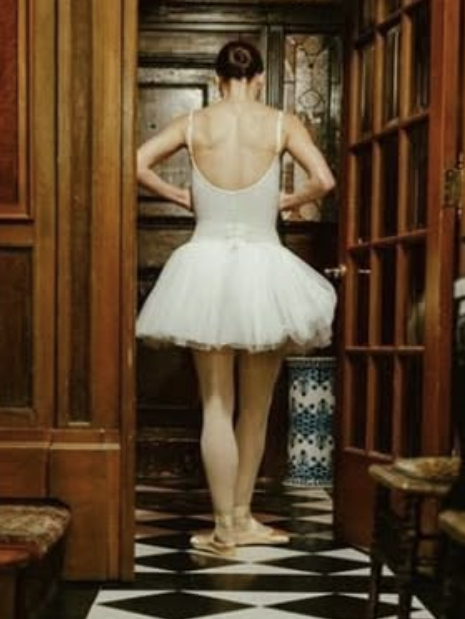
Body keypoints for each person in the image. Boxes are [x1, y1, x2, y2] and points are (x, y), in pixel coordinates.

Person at [136, 39, 337, 558]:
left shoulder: (195, 124)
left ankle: (225, 526)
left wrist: (181, 195)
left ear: (218, 76)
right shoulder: (280, 122)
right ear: (259, 77)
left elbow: (136, 163)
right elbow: (325, 180)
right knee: (257, 407)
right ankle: (242, 518)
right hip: (264, 268)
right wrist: (289, 199)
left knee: (215, 405)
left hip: (203, 266)